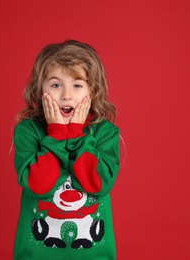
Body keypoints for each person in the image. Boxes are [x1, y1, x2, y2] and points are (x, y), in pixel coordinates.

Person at [13, 39, 120, 260]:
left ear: (92, 90)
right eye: (55, 85)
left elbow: (97, 184)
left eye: (77, 85)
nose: (66, 95)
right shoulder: (29, 131)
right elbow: (39, 186)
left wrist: (79, 135)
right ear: (39, 89)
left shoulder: (105, 133)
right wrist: (56, 134)